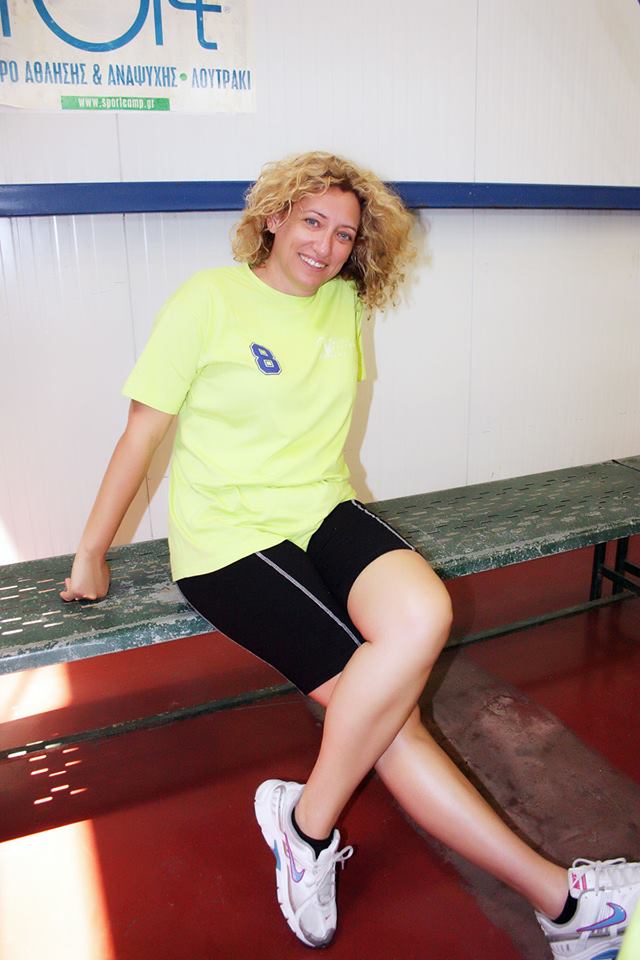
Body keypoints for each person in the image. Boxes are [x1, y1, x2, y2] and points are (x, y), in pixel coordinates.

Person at [61, 151, 640, 957]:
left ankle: (305, 822)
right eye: (312, 222)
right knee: (389, 724)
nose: (326, 246)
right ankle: (562, 904)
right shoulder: (207, 301)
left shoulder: (343, 304)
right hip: (232, 536)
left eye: (343, 234)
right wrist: (91, 552)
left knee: (425, 612)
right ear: (273, 218)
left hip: (322, 508)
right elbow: (141, 435)